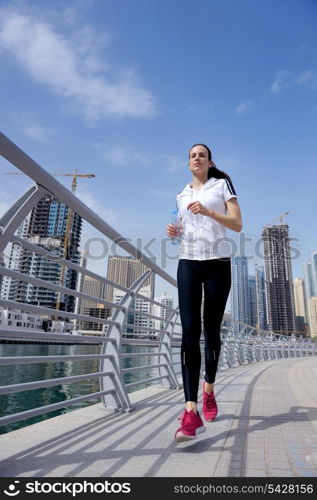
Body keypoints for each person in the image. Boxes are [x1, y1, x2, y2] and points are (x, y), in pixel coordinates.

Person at [166, 144, 242, 443]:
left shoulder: (221, 185)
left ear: (210, 162)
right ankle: (190, 410)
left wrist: (210, 211)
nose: (196, 158)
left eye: (202, 155)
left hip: (217, 263)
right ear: (188, 164)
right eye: (192, 155)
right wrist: (175, 232)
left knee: (211, 331)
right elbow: (185, 227)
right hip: (188, 262)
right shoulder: (182, 194)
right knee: (188, 331)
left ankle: (208, 389)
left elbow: (237, 224)